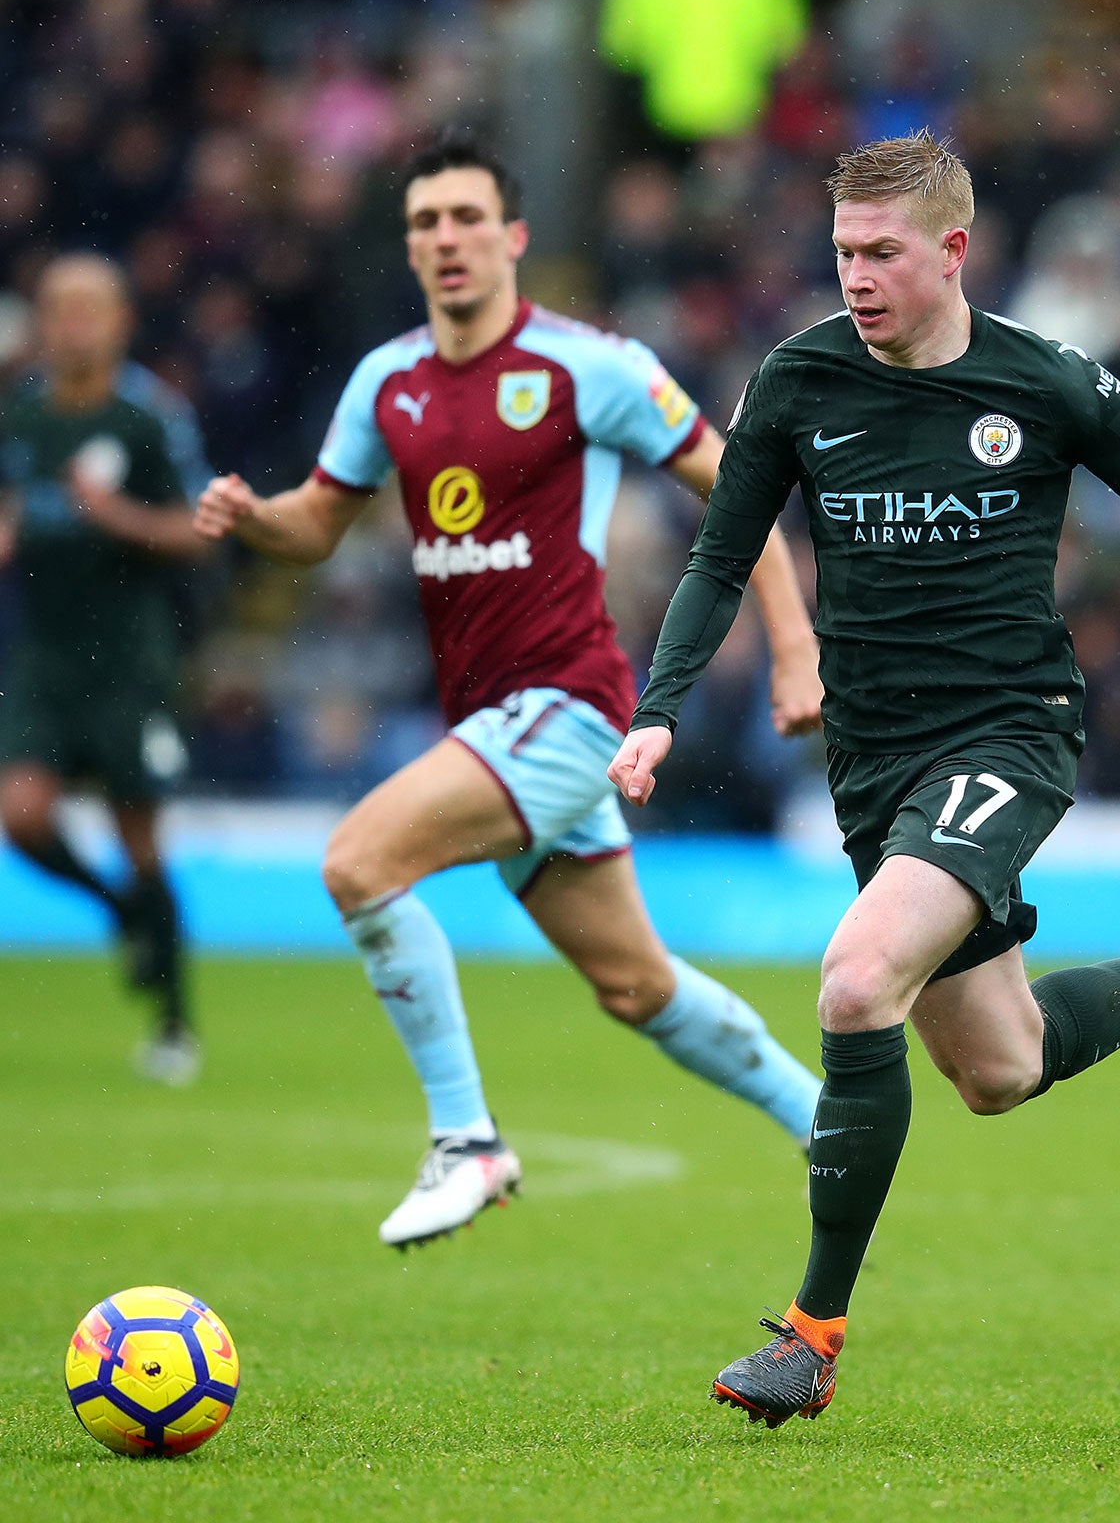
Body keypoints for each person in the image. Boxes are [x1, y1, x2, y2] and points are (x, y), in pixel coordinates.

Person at [608, 131, 1120, 1427]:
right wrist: (656, 712)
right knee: (1001, 1068)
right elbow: (721, 557)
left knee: (857, 977)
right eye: (842, 254)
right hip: (873, 763)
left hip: (1006, 738)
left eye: (883, 253)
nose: (859, 278)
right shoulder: (799, 380)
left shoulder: (1041, 381)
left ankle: (810, 1336)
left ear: (952, 252)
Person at [193, 135, 827, 1250]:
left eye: (466, 217)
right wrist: (255, 518)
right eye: (424, 222)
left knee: (357, 862)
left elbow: (736, 488)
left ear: (513, 236)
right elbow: (316, 522)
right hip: (492, 721)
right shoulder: (385, 383)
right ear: (409, 245)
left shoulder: (590, 368)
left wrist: (791, 648)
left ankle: (466, 1142)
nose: (445, 238)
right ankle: (829, 1121)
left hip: (569, 703)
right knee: (636, 987)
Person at [0, 254, 214, 1085]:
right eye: (59, 309)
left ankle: (173, 1023)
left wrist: (113, 514)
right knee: (21, 815)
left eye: (90, 309)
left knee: (141, 839)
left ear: (121, 321)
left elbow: (199, 530)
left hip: (130, 658)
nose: (73, 324)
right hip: (46, 658)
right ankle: (118, 911)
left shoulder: (148, 418)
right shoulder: (21, 419)